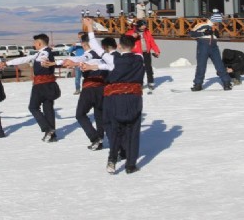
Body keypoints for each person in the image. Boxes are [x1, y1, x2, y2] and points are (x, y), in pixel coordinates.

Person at [82, 34, 144, 175]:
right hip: (134, 99)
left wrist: (90, 29)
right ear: (133, 47)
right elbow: (105, 64)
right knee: (133, 131)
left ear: (119, 46)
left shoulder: (113, 59)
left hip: (117, 99)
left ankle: (112, 159)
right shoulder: (139, 58)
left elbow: (97, 49)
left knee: (116, 129)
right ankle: (130, 165)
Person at [48, 23, 107, 150]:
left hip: (90, 88)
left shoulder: (89, 54)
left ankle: (95, 138)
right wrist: (56, 62)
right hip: (103, 89)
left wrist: (74, 61)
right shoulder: (103, 54)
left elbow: (84, 57)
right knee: (99, 114)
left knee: (80, 114)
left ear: (85, 44)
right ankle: (100, 139)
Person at [3, 33, 61, 142]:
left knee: (33, 107)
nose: (34, 44)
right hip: (49, 85)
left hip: (41, 85)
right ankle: (52, 135)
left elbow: (42, 58)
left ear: (39, 43)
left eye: (35, 42)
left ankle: (48, 129)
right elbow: (26, 59)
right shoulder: (40, 53)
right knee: (48, 108)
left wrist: (43, 62)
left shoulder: (43, 53)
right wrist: (8, 63)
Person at [188, 18, 233, 91]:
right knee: (201, 66)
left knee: (219, 65)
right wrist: (203, 33)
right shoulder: (201, 25)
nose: (217, 23)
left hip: (214, 46)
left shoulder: (215, 27)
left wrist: (216, 33)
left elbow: (218, 36)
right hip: (203, 46)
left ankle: (227, 83)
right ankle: (198, 84)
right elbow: (191, 34)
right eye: (216, 21)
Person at [125, 19, 160, 90]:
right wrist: (132, 37)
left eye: (145, 25)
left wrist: (157, 51)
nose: (144, 26)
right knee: (138, 69)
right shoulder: (131, 32)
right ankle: (138, 83)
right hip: (136, 53)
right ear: (139, 25)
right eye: (143, 25)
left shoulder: (147, 32)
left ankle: (150, 82)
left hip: (146, 52)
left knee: (148, 68)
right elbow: (125, 41)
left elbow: (152, 42)